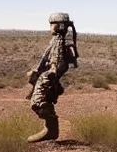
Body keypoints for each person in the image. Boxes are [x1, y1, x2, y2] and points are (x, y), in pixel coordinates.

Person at [25, 12, 79, 142]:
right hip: (48, 75)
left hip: (48, 76)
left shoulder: (59, 41)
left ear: (56, 26)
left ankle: (51, 129)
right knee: (44, 100)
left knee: (37, 102)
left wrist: (53, 68)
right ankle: (50, 129)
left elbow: (56, 55)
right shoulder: (60, 40)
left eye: (51, 25)